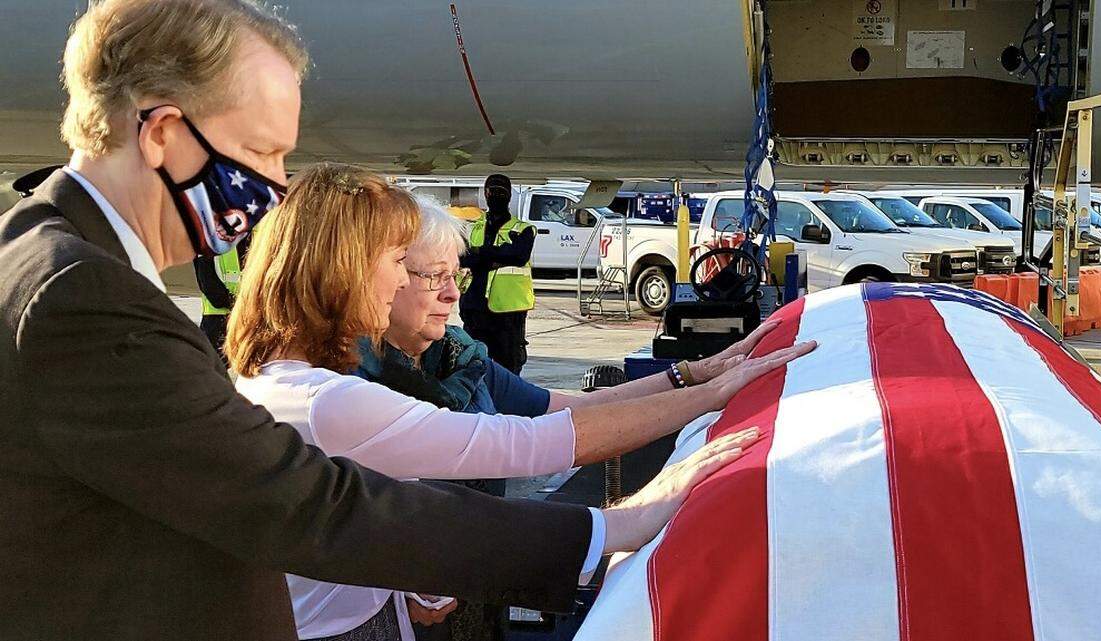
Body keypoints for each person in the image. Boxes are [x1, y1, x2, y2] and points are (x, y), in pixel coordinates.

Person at [0, 2, 762, 639]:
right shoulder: (82, 296)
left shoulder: (43, 254)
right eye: (260, 153)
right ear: (161, 133)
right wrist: (611, 527)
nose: (272, 189)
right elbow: (311, 504)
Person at [228, 164, 815, 641]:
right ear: (344, 272)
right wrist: (626, 517)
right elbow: (524, 446)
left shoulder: (281, 383)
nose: (405, 282)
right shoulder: (331, 400)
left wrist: (689, 379)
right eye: (397, 264)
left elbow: (347, 522)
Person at [363, 197, 805, 641]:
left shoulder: (460, 358)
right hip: (396, 599)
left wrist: (690, 375)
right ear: (386, 277)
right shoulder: (354, 389)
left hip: (475, 586)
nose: (453, 293)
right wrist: (706, 397)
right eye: (432, 277)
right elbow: (540, 441)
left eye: (454, 274)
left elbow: (574, 410)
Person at [459, 174, 534, 374]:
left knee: (508, 367)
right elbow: (462, 258)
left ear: (509, 196)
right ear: (485, 194)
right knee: (472, 364)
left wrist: (480, 254)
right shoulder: (472, 227)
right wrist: (497, 256)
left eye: (501, 192)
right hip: (475, 306)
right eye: (492, 191)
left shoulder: (522, 230)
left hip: (508, 311)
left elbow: (518, 256)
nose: (496, 196)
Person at [194, 237, 249, 362]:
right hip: (217, 321)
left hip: (244, 319)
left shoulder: (251, 236)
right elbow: (211, 289)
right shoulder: (207, 242)